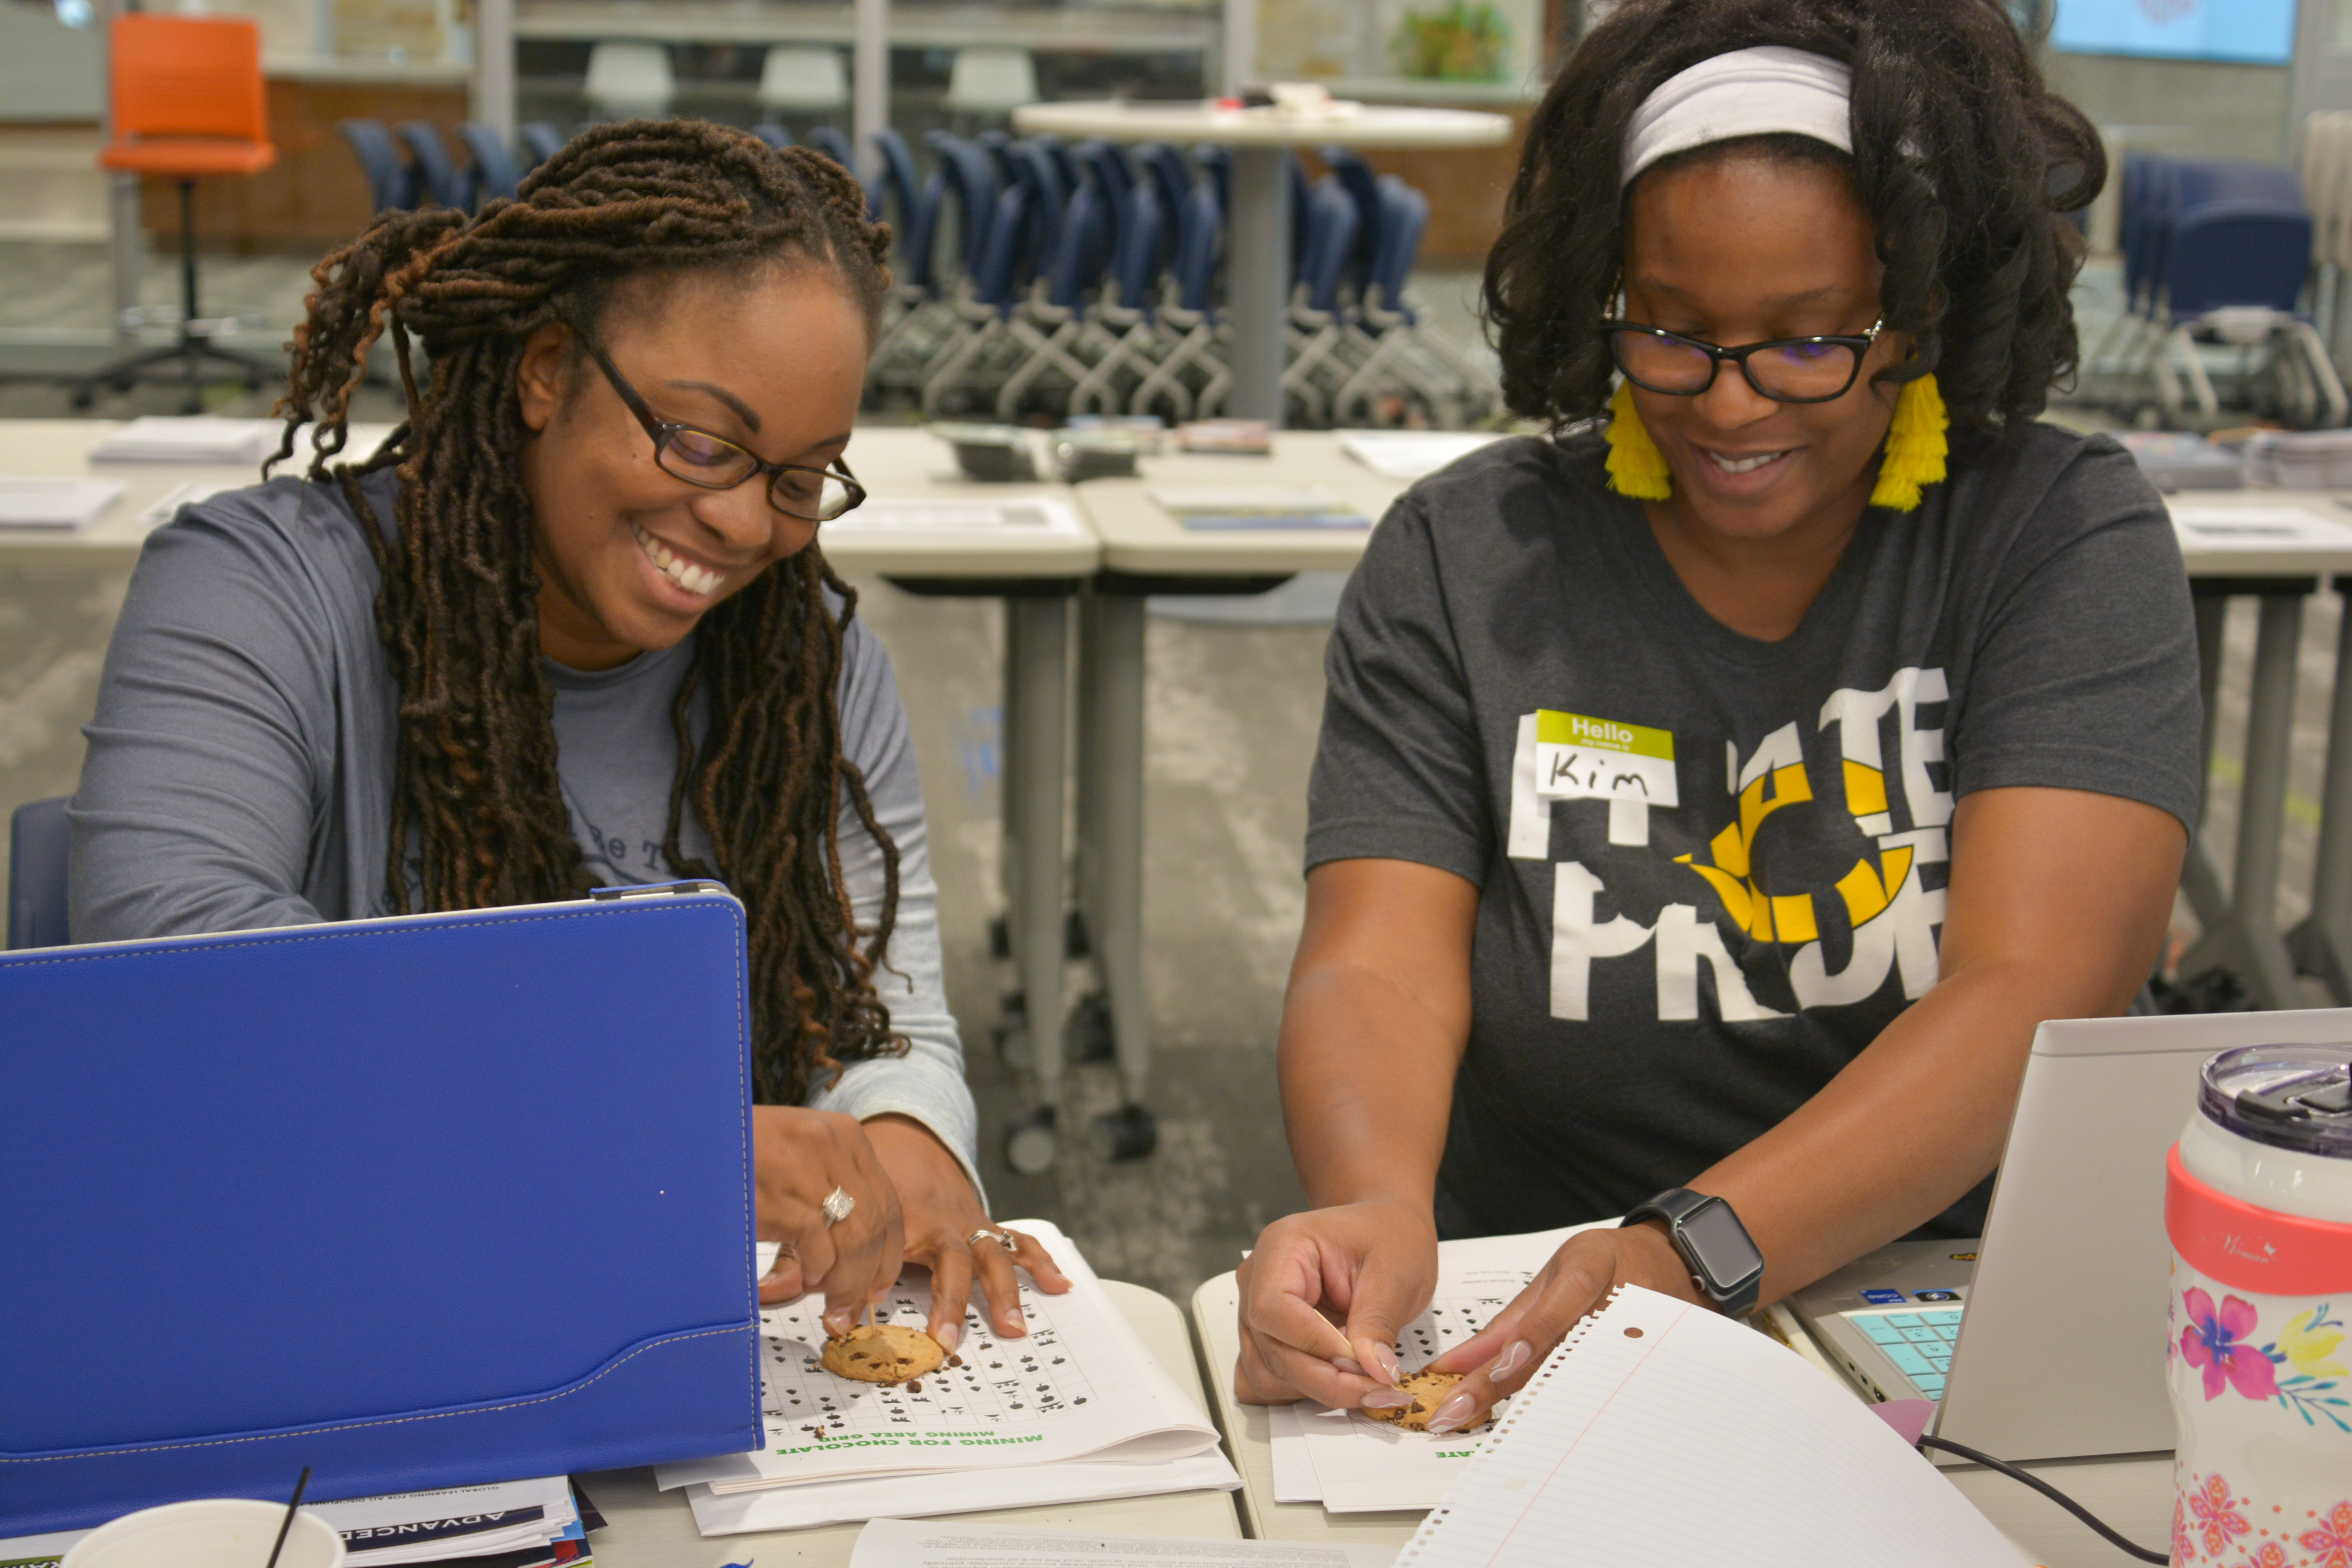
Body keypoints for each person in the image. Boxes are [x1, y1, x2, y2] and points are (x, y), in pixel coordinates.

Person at [1236, 0, 2201, 1436]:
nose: (1732, 407)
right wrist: (1374, 1195)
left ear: (1917, 312)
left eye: (1807, 342)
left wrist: (1694, 1252)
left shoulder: (2055, 537)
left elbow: (2033, 989)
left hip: (1953, 1309)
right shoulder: (1468, 556)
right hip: (1538, 1318)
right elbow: (1378, 968)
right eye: (1672, 336)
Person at [69, 121, 1065, 1346]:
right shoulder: (255, 594)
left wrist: (909, 1135)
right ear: (548, 370)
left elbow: (881, 1003)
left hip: (653, 1339)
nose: (748, 524)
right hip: (308, 1322)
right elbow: (177, 986)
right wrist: (645, 1145)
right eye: (703, 441)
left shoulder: (807, 669)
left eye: (803, 477)